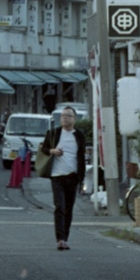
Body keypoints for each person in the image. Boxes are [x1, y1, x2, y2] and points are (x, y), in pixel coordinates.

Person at [40, 105, 86, 250]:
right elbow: (43, 148)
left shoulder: (79, 135)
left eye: (68, 115)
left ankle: (65, 237)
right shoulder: (53, 133)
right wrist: (52, 150)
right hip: (57, 176)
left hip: (72, 176)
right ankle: (59, 239)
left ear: (74, 119)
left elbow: (81, 157)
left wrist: (81, 179)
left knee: (69, 208)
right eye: (62, 116)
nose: (64, 118)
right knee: (60, 206)